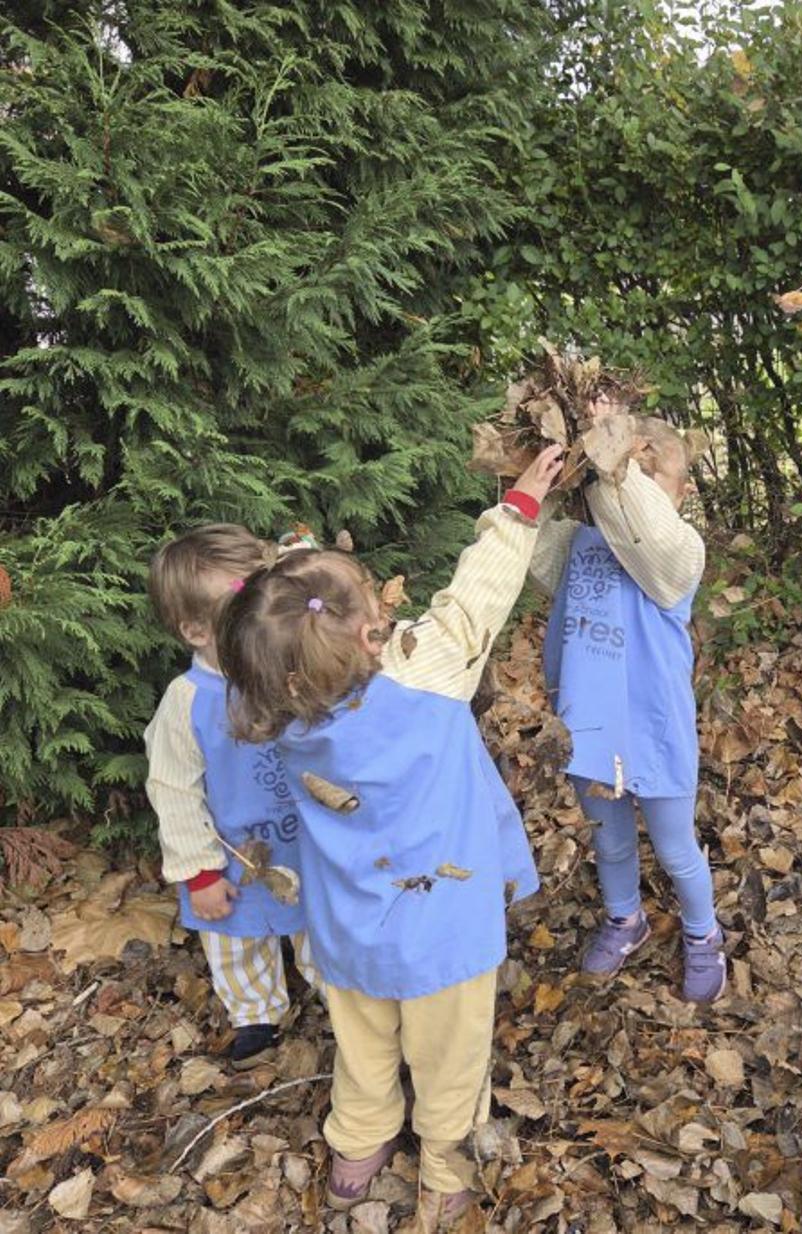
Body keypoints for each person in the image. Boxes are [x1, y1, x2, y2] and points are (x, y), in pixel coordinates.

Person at [216, 446, 562, 1226]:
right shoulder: (426, 676)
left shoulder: (287, 712)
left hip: (349, 922)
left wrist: (303, 584)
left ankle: (358, 1142)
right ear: (371, 633)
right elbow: (475, 601)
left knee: (363, 1042)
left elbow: (289, 626)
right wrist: (518, 509)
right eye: (372, 600)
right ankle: (445, 1165)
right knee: (451, 1056)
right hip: (444, 923)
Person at [530, 414, 725, 1002]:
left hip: (654, 725)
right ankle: (625, 918)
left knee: (674, 847)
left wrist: (615, 460)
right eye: (619, 473)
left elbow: (647, 536)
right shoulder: (579, 544)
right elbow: (531, 544)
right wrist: (554, 468)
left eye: (649, 478)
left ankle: (703, 933)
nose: (628, 492)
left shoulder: (681, 552)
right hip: (590, 722)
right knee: (610, 841)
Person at [145, 525, 319, 1069]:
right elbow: (173, 788)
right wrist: (199, 872)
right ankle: (255, 1014)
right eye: (241, 613)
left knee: (321, 923)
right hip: (235, 855)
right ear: (196, 630)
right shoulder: (188, 701)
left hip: (309, 841)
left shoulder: (288, 670)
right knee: (236, 937)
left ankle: (339, 988)